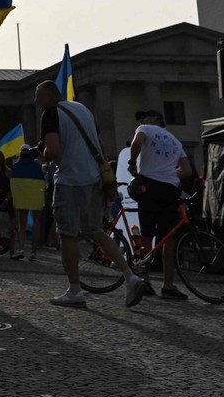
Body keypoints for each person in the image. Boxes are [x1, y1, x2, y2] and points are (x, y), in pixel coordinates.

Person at [35, 80, 143, 309]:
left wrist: (42, 153)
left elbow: (53, 150)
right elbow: (100, 146)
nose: (36, 102)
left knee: (67, 235)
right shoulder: (82, 109)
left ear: (49, 96)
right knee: (96, 230)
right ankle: (130, 276)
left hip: (70, 181)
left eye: (38, 97)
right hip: (95, 178)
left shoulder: (50, 113)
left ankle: (75, 290)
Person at [127, 108, 193, 300]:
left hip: (149, 186)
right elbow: (187, 170)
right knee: (169, 238)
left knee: (147, 234)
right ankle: (168, 285)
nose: (140, 121)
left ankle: (146, 282)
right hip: (170, 190)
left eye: (143, 118)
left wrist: (132, 162)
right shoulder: (176, 140)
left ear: (154, 119)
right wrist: (170, 174)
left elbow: (137, 142)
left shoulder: (146, 129)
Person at [9, 145, 45, 261]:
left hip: (22, 197)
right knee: (37, 224)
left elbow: (13, 184)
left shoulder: (16, 166)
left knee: (22, 225)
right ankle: (33, 252)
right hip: (36, 195)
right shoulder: (38, 167)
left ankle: (21, 249)